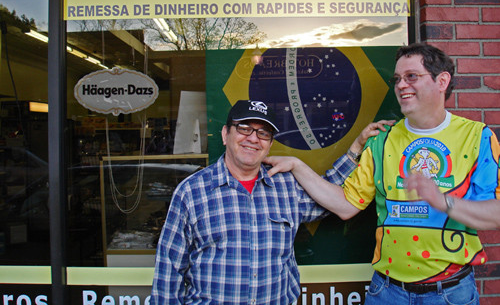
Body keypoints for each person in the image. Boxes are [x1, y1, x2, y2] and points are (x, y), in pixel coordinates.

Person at [265, 43, 500, 305]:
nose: (401, 85)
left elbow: (495, 215)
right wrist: (299, 166)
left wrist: (442, 201)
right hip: (388, 292)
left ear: (442, 80)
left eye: (412, 76)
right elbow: (345, 205)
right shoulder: (382, 140)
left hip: (450, 293)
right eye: (397, 79)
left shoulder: (477, 137)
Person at [150, 99, 391, 304]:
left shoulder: (286, 187)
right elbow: (169, 269)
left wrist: (356, 147)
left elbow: (329, 195)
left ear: (270, 144)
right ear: (225, 134)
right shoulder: (192, 192)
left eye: (263, 133)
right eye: (244, 128)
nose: (253, 139)